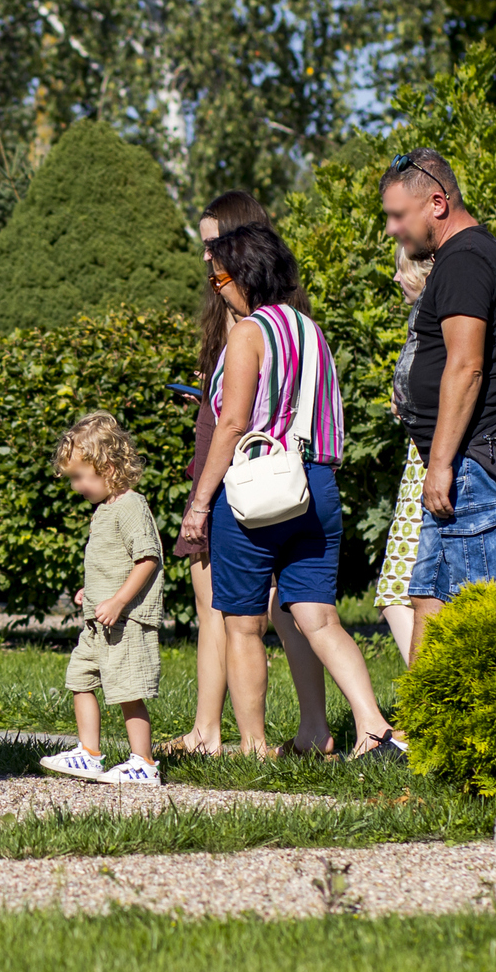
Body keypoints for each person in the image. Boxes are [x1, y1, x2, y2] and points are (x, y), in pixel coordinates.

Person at [182, 224, 400, 758]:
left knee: (241, 623)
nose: (219, 286)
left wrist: (200, 502)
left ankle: (254, 747)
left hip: (259, 487)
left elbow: (233, 423)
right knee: (318, 616)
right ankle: (371, 726)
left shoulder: (247, 333)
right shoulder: (311, 331)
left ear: (246, 276)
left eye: (222, 277)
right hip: (316, 483)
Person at [166, 192, 330, 757]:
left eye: (215, 246)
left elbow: (241, 411)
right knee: (241, 601)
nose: (208, 262)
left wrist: (202, 499)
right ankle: (211, 727)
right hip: (256, 458)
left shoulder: (252, 321)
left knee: (250, 608)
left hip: (249, 466)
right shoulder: (287, 320)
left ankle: (261, 733)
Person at [379, 148, 496, 663]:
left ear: (437, 202)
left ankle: (491, 733)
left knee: (475, 616)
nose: (391, 229)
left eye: (398, 215)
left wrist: (442, 464)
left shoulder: (467, 260)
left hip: (473, 463)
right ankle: (424, 732)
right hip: (464, 464)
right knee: (427, 596)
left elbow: (466, 367)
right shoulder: (464, 257)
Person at [38, 412, 167, 786]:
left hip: (126, 621)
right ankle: (89, 753)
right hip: (100, 620)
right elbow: (112, 562)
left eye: (80, 476)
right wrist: (92, 593)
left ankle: (144, 763)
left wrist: (118, 601)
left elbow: (147, 558)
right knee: (80, 678)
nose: (77, 486)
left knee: (128, 691)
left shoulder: (130, 506)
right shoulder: (106, 509)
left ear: (107, 467)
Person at [373, 246, 433, 664]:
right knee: (402, 589)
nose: (396, 279)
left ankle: (428, 696)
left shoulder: (433, 323)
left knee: (398, 588)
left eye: (402, 270)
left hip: (432, 464)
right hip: (426, 462)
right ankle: (429, 695)